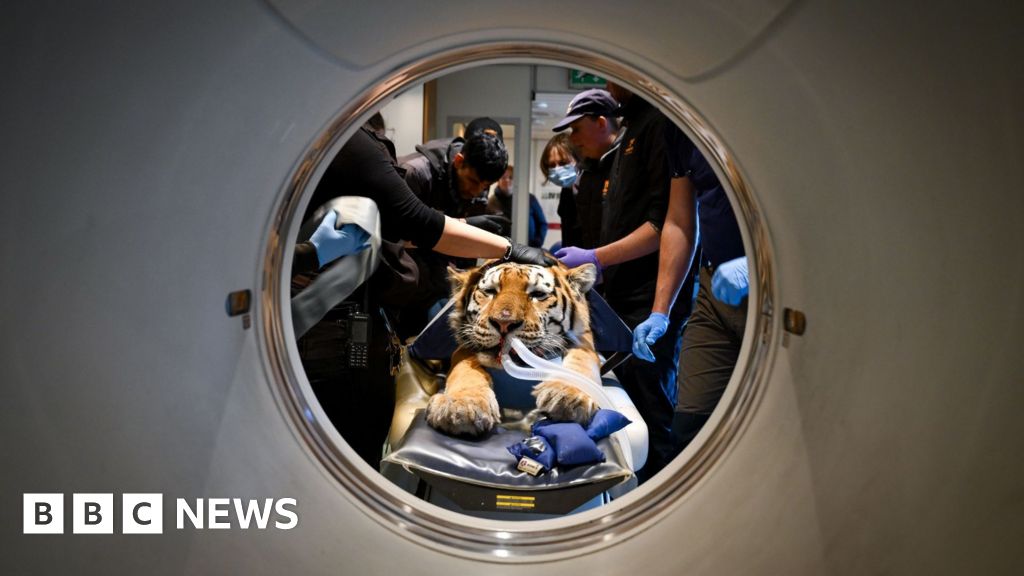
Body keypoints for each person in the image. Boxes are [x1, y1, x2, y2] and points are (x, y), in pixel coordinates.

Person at [297, 113, 554, 468]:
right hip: (350, 315)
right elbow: (414, 224)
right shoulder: (379, 156)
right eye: (476, 181)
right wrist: (506, 247)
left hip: (392, 304)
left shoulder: (343, 142)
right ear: (461, 162)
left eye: (486, 188)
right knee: (350, 444)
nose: (479, 192)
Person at [554, 85, 694, 481]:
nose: (573, 139)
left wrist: (597, 257)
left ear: (601, 122)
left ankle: (659, 494)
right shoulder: (630, 133)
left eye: (578, 128)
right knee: (627, 405)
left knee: (653, 406)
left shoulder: (659, 127)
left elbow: (666, 223)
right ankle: (632, 487)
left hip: (650, 300)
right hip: (619, 297)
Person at [631, 121, 747, 455]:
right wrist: (659, 312)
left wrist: (759, 266)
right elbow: (680, 220)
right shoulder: (679, 126)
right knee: (690, 426)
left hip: (777, 287)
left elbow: (814, 202)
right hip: (714, 287)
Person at [488, 165, 548, 248]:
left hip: (529, 248)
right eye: (503, 177)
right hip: (500, 250)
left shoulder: (529, 198)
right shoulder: (491, 202)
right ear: (498, 180)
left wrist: (537, 243)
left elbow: (542, 223)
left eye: (511, 177)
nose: (507, 180)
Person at [540, 133, 583, 250]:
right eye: (551, 165)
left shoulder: (589, 190)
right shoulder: (566, 192)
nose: (557, 169)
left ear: (578, 159)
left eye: (563, 163)